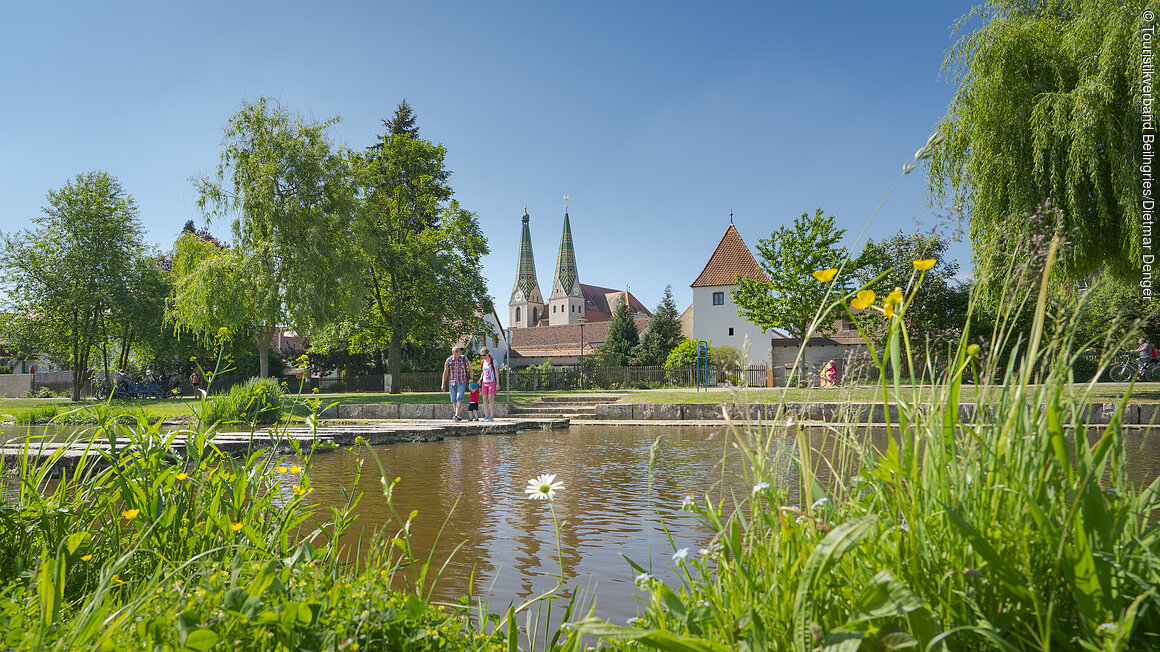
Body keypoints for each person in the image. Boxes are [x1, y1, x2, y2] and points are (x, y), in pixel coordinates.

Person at [441, 346, 470, 421]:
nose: (456, 356)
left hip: (462, 381)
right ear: (452, 353)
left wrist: (471, 378)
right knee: (453, 400)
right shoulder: (449, 360)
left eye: (457, 354)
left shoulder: (464, 359)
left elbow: (470, 369)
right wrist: (443, 383)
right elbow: (445, 372)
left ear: (459, 353)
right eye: (454, 354)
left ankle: (456, 414)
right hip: (452, 382)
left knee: (459, 398)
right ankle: (458, 416)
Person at [477, 347, 498, 422]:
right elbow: (483, 373)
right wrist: (480, 380)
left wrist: (497, 383)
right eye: (482, 355)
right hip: (484, 383)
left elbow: (497, 373)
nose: (483, 357)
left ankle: (491, 417)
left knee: (490, 399)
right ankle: (486, 416)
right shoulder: (483, 362)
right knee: (484, 399)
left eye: (484, 355)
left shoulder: (493, 361)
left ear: (488, 353)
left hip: (492, 382)